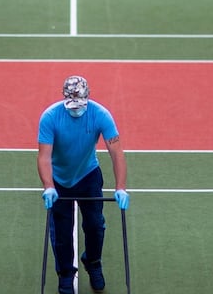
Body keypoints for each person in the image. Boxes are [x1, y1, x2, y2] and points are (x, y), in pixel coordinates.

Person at [38, 75, 129, 294]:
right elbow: (44, 156)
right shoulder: (50, 117)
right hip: (59, 179)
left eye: (80, 105)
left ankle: (93, 263)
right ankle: (65, 274)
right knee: (61, 232)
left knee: (95, 226)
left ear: (87, 97)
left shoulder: (101, 115)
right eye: (72, 105)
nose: (76, 110)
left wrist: (120, 187)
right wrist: (48, 185)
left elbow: (116, 153)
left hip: (88, 175)